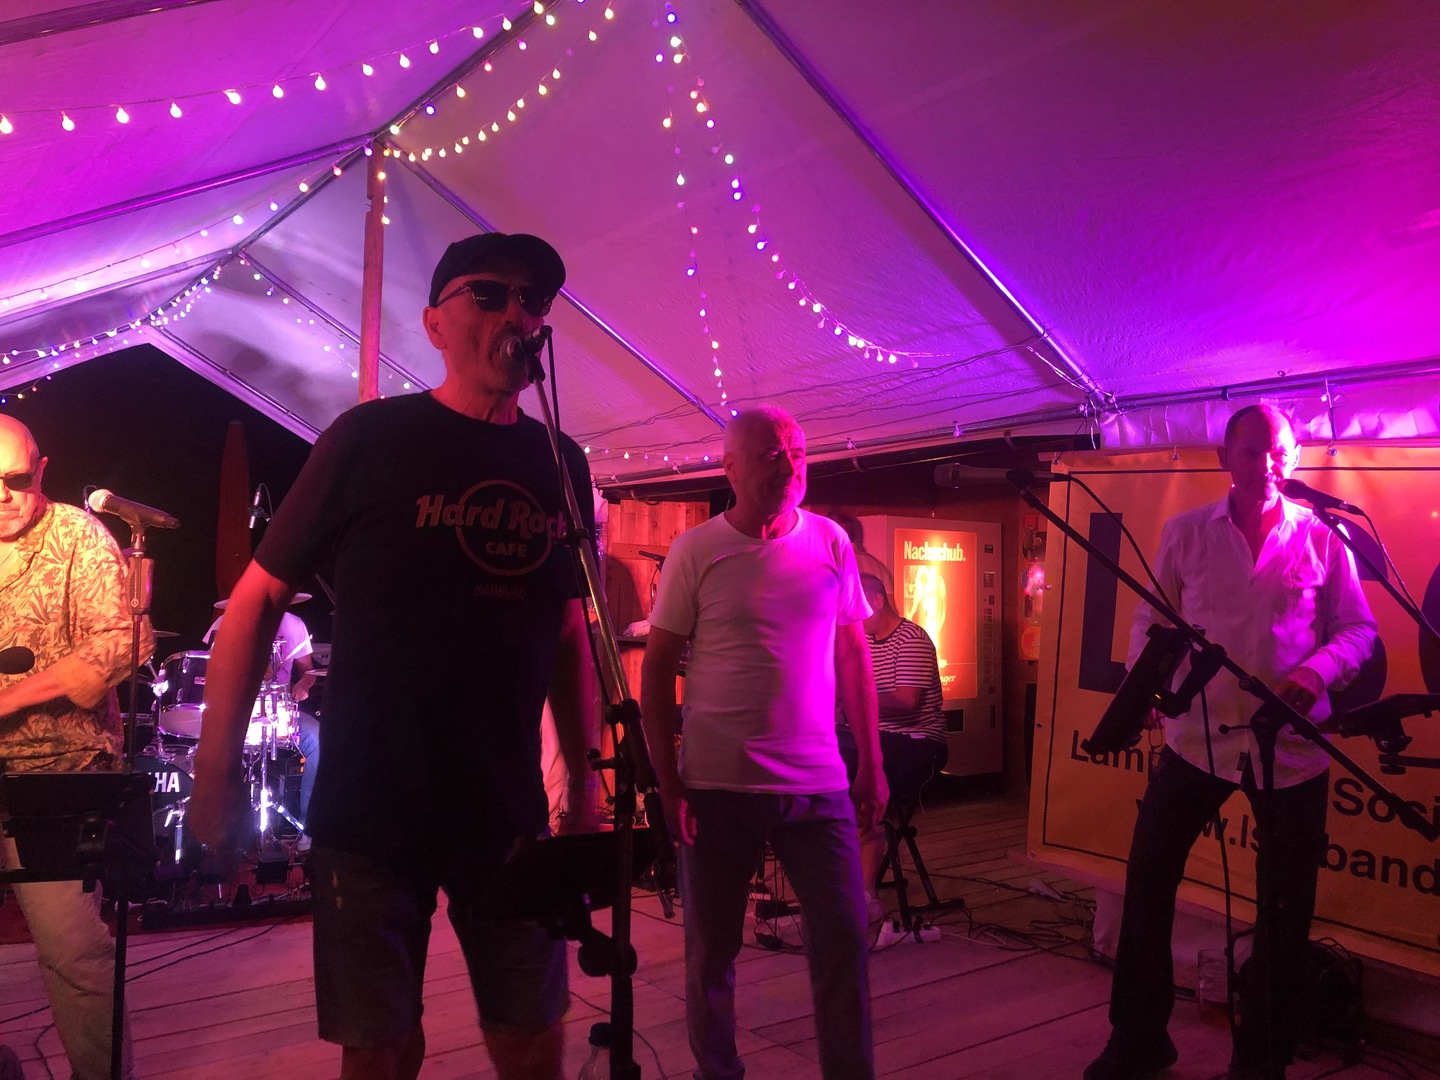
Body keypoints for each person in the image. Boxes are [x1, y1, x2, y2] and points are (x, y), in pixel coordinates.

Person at [188, 232, 602, 1080]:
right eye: (489, 293)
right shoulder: (369, 440)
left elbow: (568, 632)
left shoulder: (559, 460)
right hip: (373, 811)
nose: (516, 312)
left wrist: (587, 786)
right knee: (379, 1050)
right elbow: (257, 600)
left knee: (533, 1039)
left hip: (506, 811)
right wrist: (215, 774)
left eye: (531, 300)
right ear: (435, 324)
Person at [1085, 404, 1378, 1080]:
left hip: (1290, 749)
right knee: (1149, 879)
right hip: (1197, 738)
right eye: (1252, 451)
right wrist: (1148, 687)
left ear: (1294, 458)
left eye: (1279, 452)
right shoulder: (1186, 533)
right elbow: (1150, 621)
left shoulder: (1324, 537)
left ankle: (1260, 1063)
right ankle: (1137, 1042)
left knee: (1284, 908)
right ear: (1225, 458)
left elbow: (1358, 631)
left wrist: (1318, 669)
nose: (1267, 464)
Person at [640, 405, 888, 1080]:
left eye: (798, 452)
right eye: (772, 454)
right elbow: (656, 670)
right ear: (730, 468)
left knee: (843, 941)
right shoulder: (697, 550)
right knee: (712, 952)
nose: (790, 466)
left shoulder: (830, 542)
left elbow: (853, 655)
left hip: (817, 783)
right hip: (718, 784)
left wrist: (871, 762)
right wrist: (668, 780)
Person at [0, 413, 153, 1080]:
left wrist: (9, 700)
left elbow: (122, 642)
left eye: (14, 479)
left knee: (72, 950)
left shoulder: (78, 535)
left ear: (42, 471)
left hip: (54, 777)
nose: (2, 495)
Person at [837, 572, 947, 919]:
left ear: (878, 601)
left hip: (917, 741)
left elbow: (906, 701)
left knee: (861, 779)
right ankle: (840, 882)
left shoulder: (911, 638)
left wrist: (851, 697)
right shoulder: (863, 642)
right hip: (877, 737)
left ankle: (864, 895)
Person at [206, 604, 320, 828]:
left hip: (280, 711)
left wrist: (303, 684)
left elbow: (308, 671)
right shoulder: (225, 622)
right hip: (236, 711)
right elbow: (206, 670)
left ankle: (307, 829)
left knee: (317, 740)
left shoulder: (294, 624)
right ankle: (215, 826)